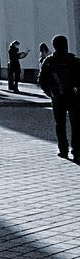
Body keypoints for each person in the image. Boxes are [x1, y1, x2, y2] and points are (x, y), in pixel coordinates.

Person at [38, 35, 80, 163]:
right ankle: (77, 151)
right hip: (73, 97)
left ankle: (63, 150)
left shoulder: (49, 61)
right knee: (76, 125)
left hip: (57, 97)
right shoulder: (73, 60)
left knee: (60, 124)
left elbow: (41, 80)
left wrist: (50, 93)